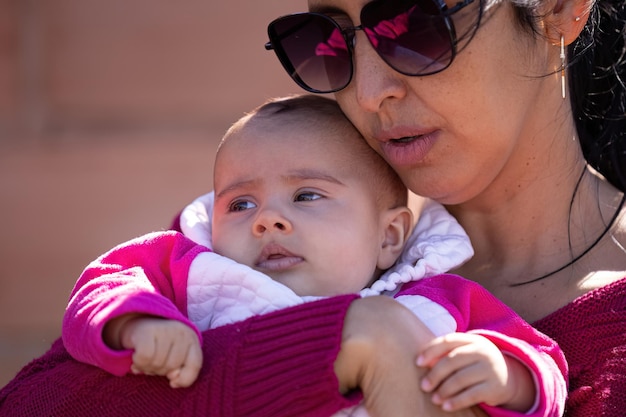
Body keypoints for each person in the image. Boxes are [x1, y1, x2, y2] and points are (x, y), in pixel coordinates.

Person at [1, 0, 624, 415]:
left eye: (413, 25)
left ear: (559, 7)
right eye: (328, 42)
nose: (371, 89)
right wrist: (339, 343)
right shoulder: (230, 255)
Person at [60, 94, 565, 417]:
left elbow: (544, 358)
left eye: (306, 195)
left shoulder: (440, 302)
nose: (267, 219)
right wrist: (137, 327)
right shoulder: (193, 271)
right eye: (240, 203)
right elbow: (104, 284)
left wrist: (507, 376)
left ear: (389, 237)